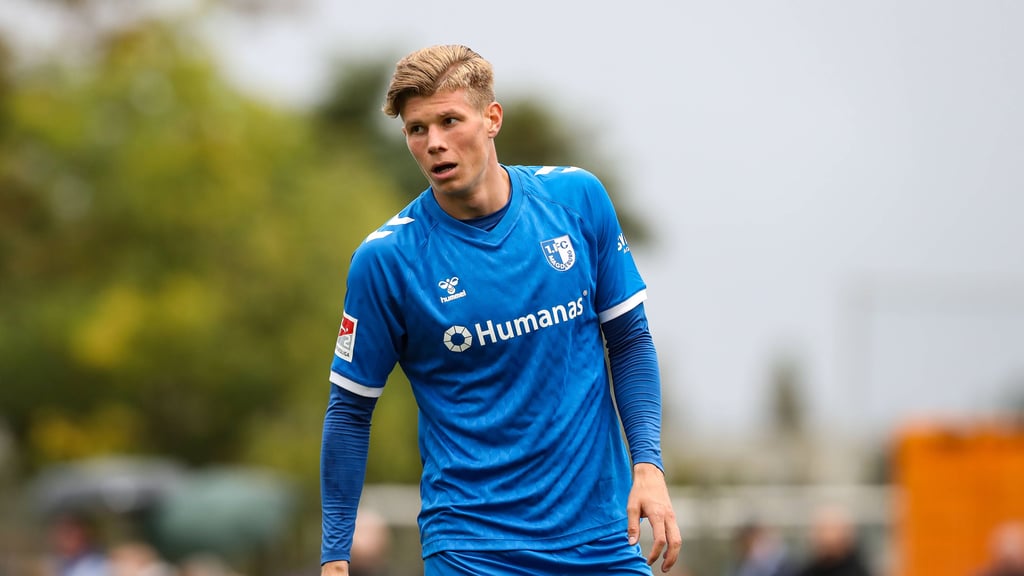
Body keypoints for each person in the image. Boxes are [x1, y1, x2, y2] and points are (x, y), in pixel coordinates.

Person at [320, 44, 681, 576]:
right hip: (473, 549)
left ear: (492, 119)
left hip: (602, 538)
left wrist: (648, 464)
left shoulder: (576, 201)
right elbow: (349, 411)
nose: (435, 143)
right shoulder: (386, 261)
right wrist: (334, 557)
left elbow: (629, 342)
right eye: (417, 129)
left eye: (449, 120)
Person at [794, 505, 872, 576]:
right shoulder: (807, 570)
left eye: (831, 529)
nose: (825, 537)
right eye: (821, 530)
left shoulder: (858, 571)